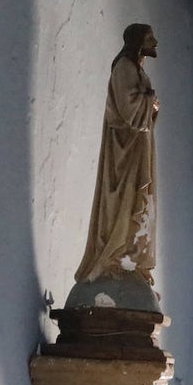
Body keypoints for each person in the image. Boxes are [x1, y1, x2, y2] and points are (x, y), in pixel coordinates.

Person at [74, 23, 160, 286]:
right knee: (120, 201)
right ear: (137, 41)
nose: (155, 43)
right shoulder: (124, 67)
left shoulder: (136, 68)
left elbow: (141, 108)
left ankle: (130, 257)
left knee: (137, 198)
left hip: (137, 145)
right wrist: (150, 102)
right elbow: (128, 107)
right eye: (149, 38)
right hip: (123, 150)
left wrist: (151, 106)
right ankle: (113, 255)